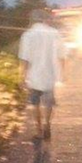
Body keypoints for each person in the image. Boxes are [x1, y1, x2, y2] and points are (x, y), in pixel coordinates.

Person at [18, 8, 66, 140]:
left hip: (34, 76)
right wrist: (62, 73)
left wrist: (22, 76)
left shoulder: (27, 35)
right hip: (50, 74)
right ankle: (47, 125)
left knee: (35, 103)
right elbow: (62, 55)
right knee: (49, 102)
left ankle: (39, 130)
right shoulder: (54, 33)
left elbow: (25, 58)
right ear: (45, 20)